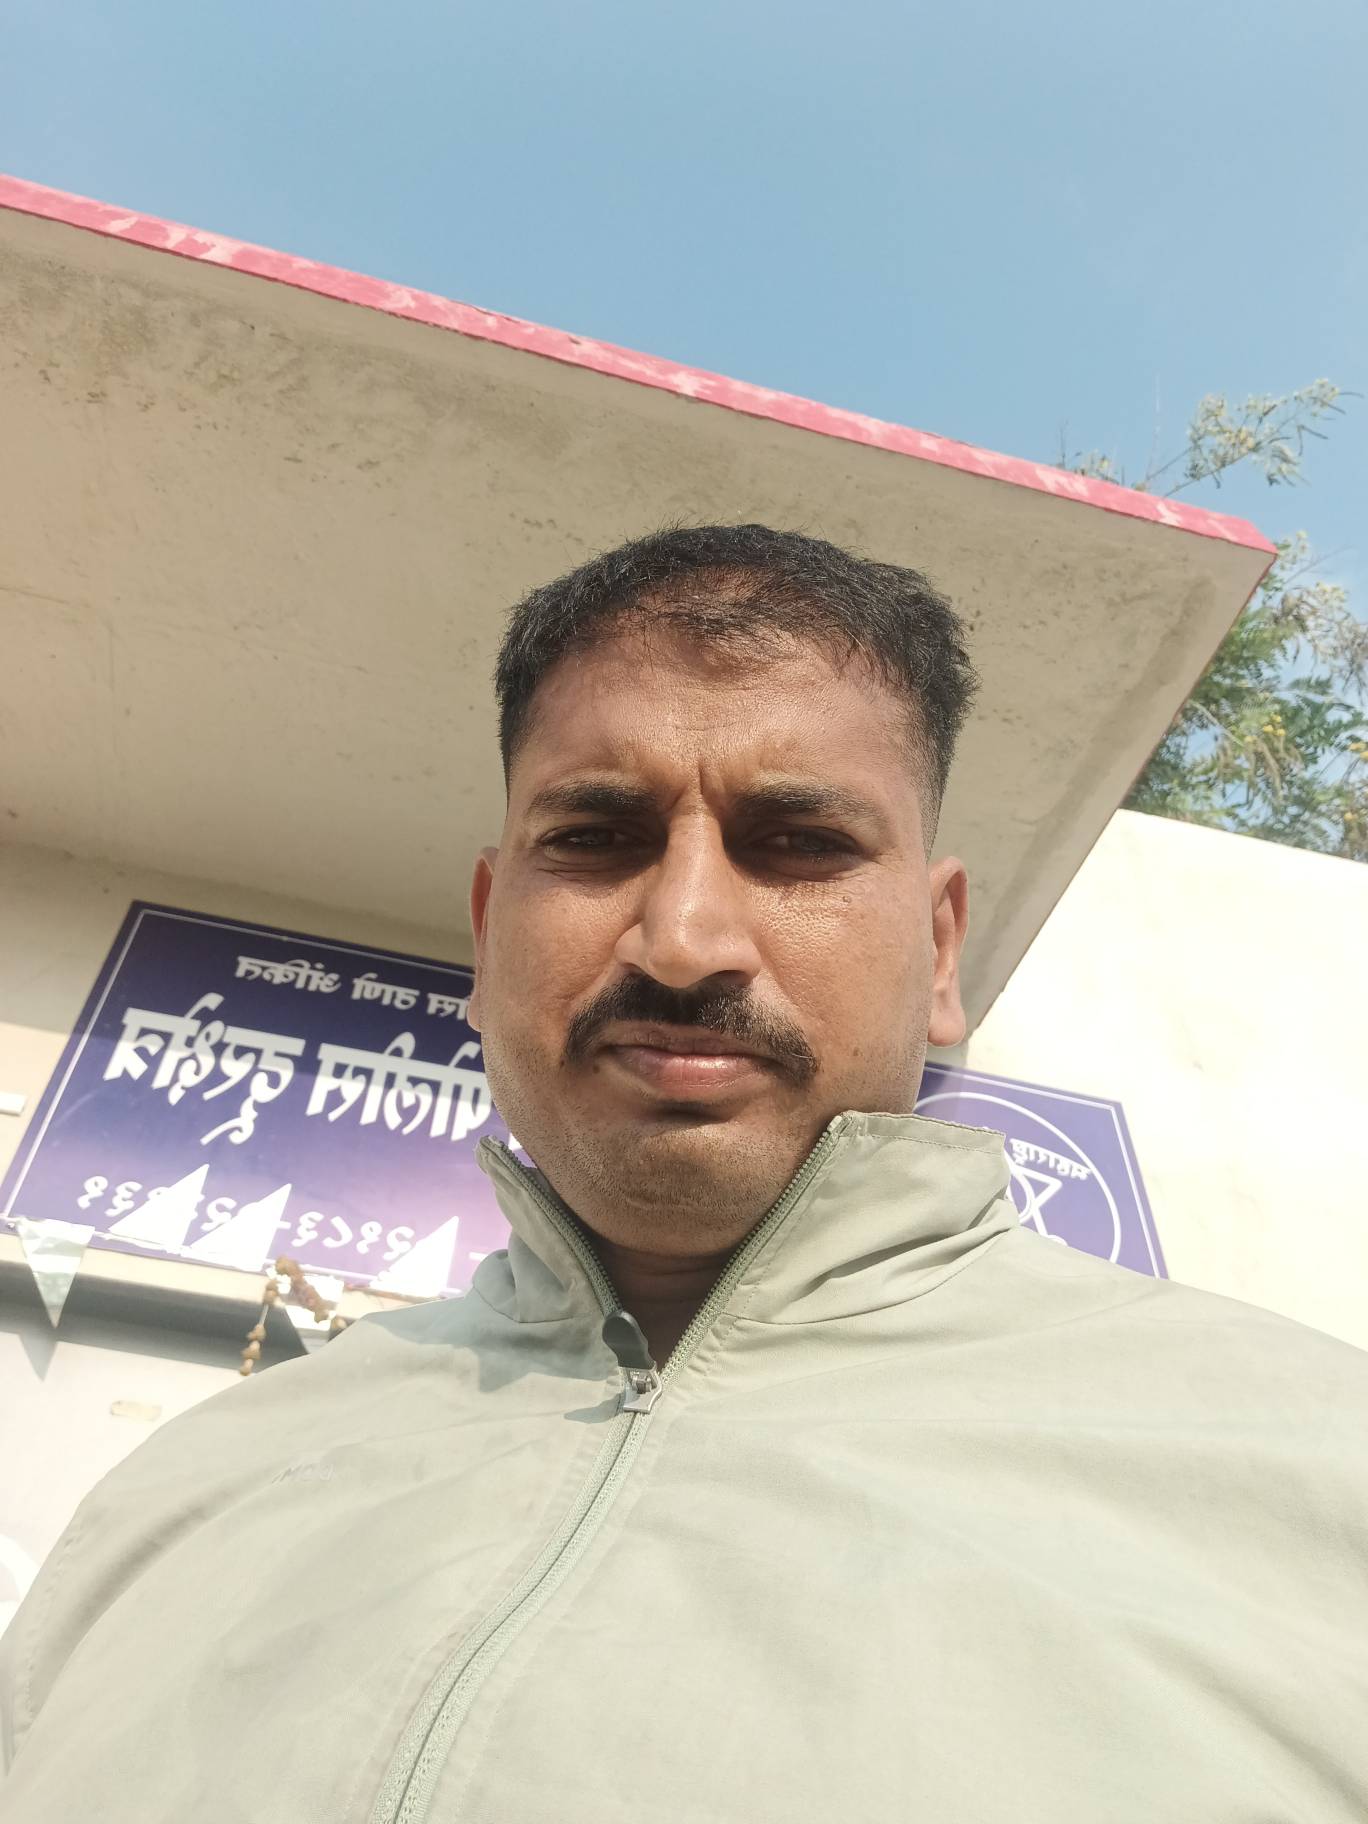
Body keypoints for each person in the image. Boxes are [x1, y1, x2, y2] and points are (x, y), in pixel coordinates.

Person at [2, 524, 1365, 1822]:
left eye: (801, 843)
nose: (684, 938)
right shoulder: (192, 1492)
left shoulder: (1306, 1469)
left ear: (942, 952)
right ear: (488, 932)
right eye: (595, 837)